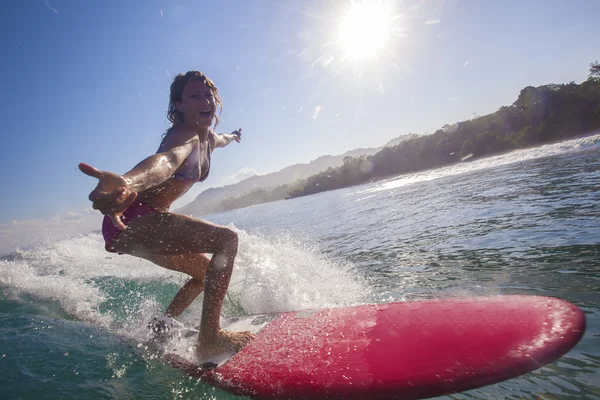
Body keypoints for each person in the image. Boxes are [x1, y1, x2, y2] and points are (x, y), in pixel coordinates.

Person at [79, 71, 254, 360]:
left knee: (203, 274)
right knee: (227, 241)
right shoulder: (183, 136)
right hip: (135, 217)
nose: (205, 99)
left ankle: (162, 323)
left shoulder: (207, 139)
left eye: (208, 94)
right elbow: (164, 162)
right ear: (179, 106)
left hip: (136, 226)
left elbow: (220, 138)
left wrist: (234, 136)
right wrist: (128, 183)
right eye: (194, 95)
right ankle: (210, 336)